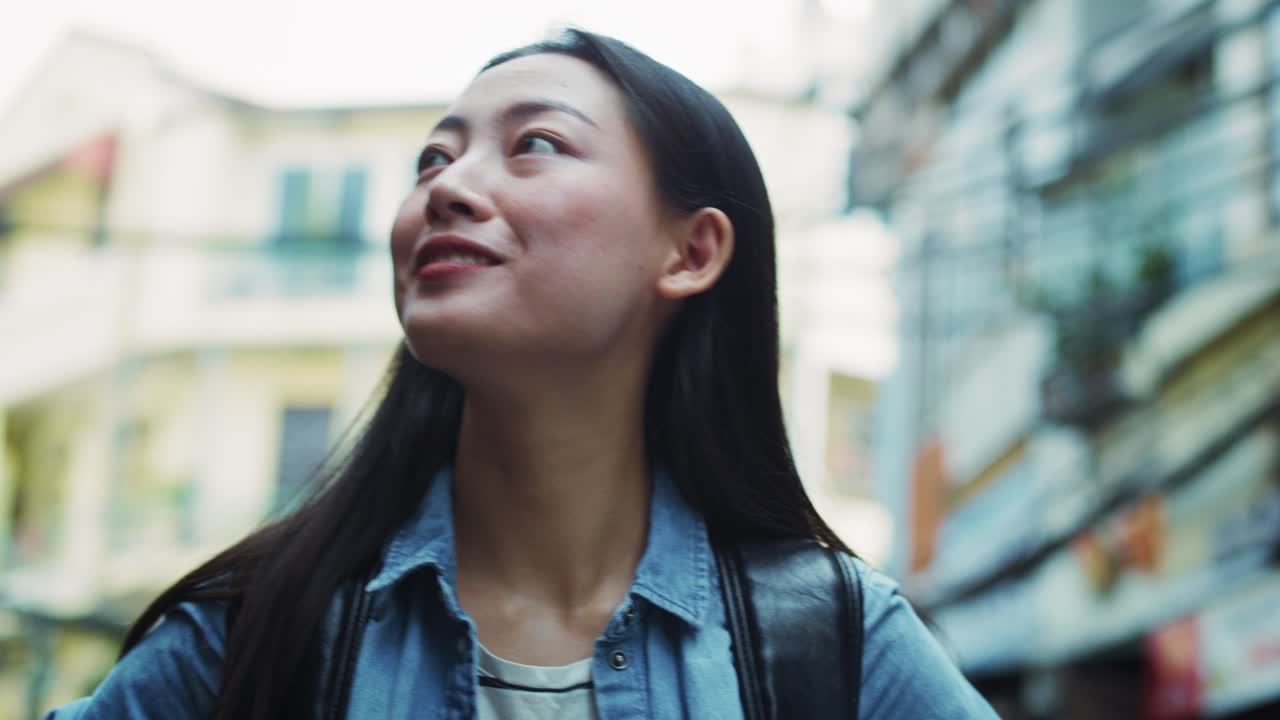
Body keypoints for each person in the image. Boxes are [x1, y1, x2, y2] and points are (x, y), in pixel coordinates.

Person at [47, 28, 998, 719]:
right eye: (434, 158)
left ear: (691, 252)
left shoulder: (832, 642)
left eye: (536, 144)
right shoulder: (258, 633)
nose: (447, 188)